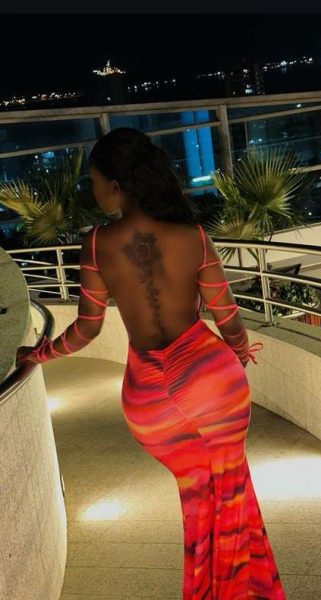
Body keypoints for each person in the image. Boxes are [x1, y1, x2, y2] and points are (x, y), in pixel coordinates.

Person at [16, 128, 287, 599]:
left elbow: (88, 329)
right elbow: (227, 316)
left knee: (198, 500)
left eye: (94, 181)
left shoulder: (97, 244)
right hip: (213, 381)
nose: (93, 190)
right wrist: (240, 353)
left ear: (117, 184)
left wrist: (40, 354)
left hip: (151, 400)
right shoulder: (192, 235)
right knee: (232, 493)